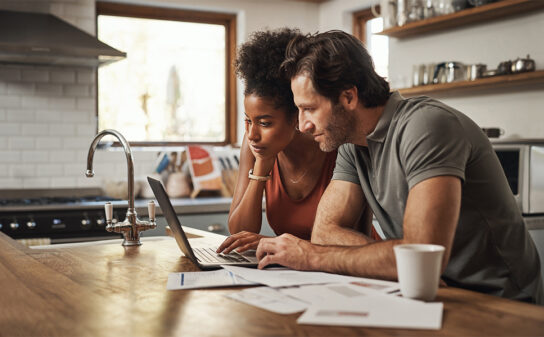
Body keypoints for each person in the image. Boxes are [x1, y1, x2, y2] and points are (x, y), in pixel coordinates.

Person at [255, 30, 543, 303]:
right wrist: (397, 263)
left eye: (309, 108)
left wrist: (311, 256)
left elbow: (421, 256)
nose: (303, 125)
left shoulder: (426, 126)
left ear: (348, 97)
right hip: (427, 291)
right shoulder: (352, 145)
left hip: (498, 302)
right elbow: (325, 232)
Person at [217, 28, 370, 255]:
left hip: (349, 268)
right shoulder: (255, 147)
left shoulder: (336, 146)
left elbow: (351, 238)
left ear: (296, 116)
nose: (252, 134)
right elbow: (238, 233)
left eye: (265, 123)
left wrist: (273, 243)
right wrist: (261, 168)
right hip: (294, 271)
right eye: (248, 121)